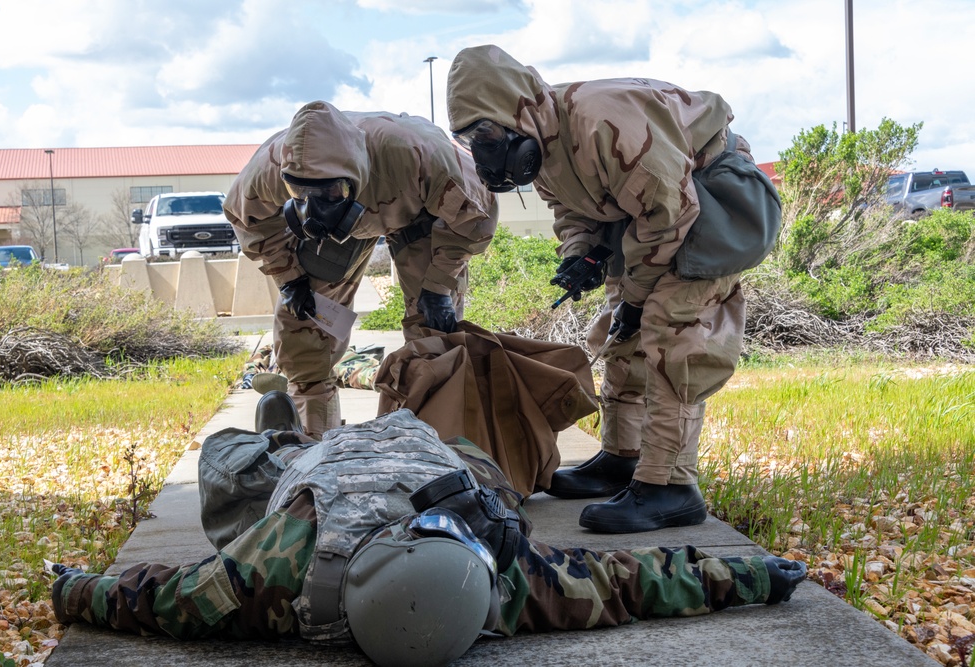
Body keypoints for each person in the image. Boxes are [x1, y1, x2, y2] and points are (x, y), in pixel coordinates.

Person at [50, 397, 807, 667]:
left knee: (228, 471)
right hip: (439, 455)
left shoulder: (268, 573)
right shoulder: (511, 583)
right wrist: (755, 576)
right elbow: (638, 583)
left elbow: (155, 598)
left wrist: (72, 589)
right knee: (490, 476)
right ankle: (284, 439)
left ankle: (277, 442)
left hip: (339, 469)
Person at [446, 45, 778, 534]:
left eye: (489, 134)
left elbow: (669, 218)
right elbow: (571, 210)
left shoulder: (605, 122)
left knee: (671, 329)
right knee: (621, 333)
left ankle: (670, 486)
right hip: (644, 213)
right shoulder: (541, 140)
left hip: (711, 195)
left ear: (519, 108)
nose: (484, 148)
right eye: (472, 138)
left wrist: (638, 300)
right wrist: (580, 255)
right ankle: (622, 458)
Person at [224, 101, 499, 438]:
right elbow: (248, 220)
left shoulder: (419, 154)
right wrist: (289, 276)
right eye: (300, 192)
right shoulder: (271, 167)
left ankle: (428, 440)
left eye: (328, 192)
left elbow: (476, 220)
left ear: (352, 174)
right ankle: (311, 442)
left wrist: (440, 285)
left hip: (418, 214)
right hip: (343, 228)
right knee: (303, 325)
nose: (313, 207)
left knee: (433, 333)